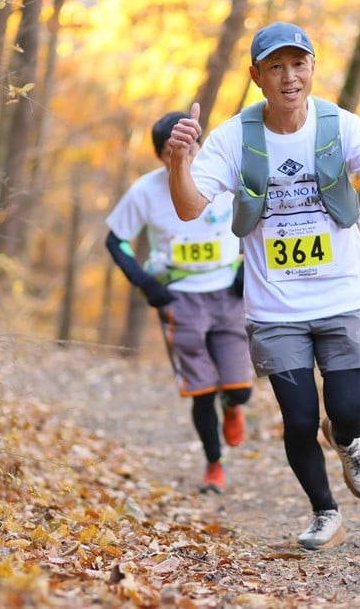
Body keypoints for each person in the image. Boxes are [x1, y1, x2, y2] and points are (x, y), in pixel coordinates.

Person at [166, 22, 360, 549]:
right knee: (298, 420)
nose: (289, 76)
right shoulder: (235, 138)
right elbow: (188, 207)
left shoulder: (340, 125)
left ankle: (346, 440)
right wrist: (178, 162)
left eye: (299, 64)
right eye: (276, 66)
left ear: (313, 69)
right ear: (257, 76)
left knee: (347, 413)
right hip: (276, 307)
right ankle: (326, 513)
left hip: (341, 295)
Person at [105, 111, 253, 494]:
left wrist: (246, 269)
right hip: (180, 298)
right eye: (175, 149)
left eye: (192, 145)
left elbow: (260, 219)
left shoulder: (224, 177)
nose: (186, 153)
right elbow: (115, 240)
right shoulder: (145, 190)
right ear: (161, 155)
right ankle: (214, 465)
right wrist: (145, 284)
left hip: (227, 293)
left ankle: (234, 405)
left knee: (240, 388)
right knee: (200, 390)